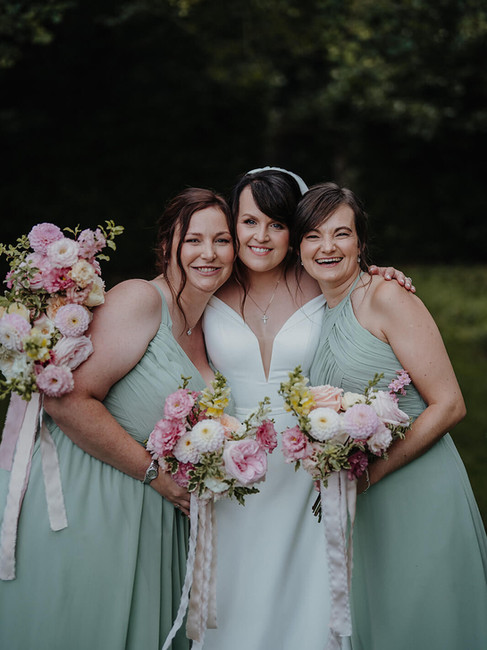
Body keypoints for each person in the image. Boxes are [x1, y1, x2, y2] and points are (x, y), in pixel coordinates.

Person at [0, 188, 236, 650]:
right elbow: (67, 400)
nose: (209, 253)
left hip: (158, 518)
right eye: (194, 240)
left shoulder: (214, 325)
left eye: (223, 240)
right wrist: (156, 475)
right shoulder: (140, 301)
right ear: (168, 245)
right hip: (98, 496)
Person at [201, 168, 413, 650]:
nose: (261, 236)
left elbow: (364, 295)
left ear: (294, 232)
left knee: (311, 603)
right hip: (231, 469)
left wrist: (385, 274)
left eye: (277, 224)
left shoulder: (324, 283)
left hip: (310, 466)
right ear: (233, 224)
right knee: (235, 600)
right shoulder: (207, 286)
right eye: (249, 222)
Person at [294, 181, 487, 650]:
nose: (327, 247)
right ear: (298, 246)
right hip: (360, 499)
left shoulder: (387, 296)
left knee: (422, 619)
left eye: (342, 234)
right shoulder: (311, 310)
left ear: (361, 243)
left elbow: (450, 404)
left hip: (416, 487)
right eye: (313, 235)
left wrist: (374, 472)